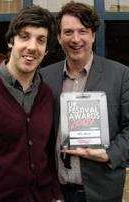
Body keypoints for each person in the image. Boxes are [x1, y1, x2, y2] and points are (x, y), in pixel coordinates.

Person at [40, 1, 129, 202]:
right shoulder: (44, 77)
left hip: (102, 191)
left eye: (83, 31)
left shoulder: (121, 75)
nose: (76, 39)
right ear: (59, 37)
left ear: (93, 35)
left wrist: (108, 154)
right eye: (69, 32)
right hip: (55, 191)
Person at [0, 5, 62, 202]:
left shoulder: (47, 94)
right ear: (10, 41)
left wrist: (55, 195)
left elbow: (48, 154)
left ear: (46, 50)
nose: (32, 47)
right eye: (25, 36)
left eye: (41, 40)